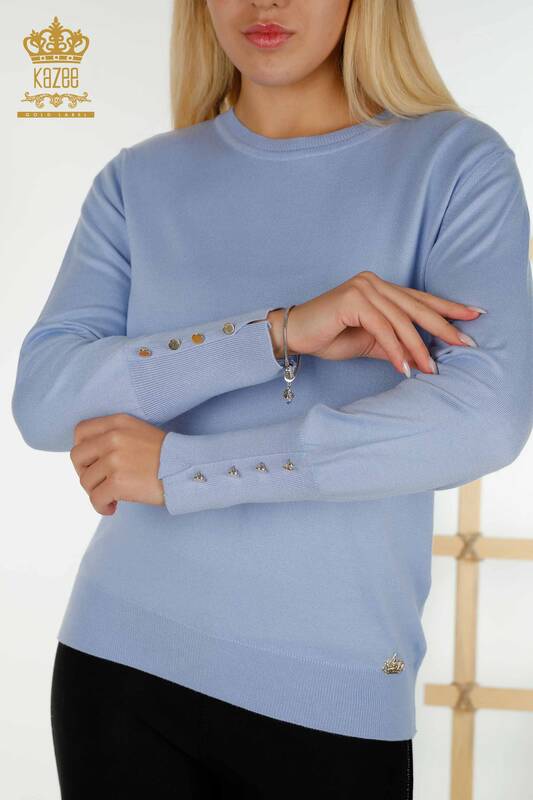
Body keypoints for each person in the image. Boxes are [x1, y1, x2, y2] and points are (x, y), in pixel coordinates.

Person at [11, 0, 532, 798]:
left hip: (333, 688)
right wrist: (277, 332)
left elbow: (482, 420)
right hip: (121, 662)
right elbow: (45, 399)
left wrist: (186, 468)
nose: (266, 2)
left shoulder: (452, 163)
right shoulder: (137, 181)